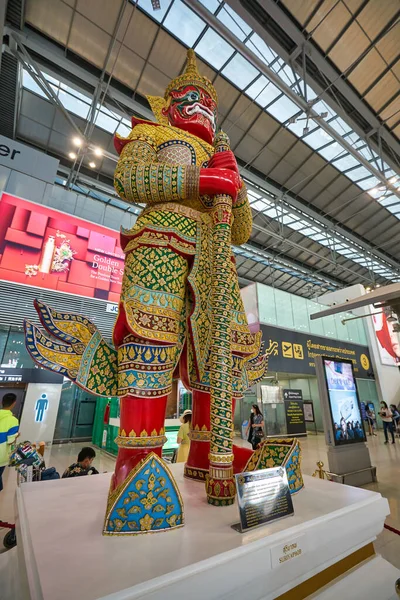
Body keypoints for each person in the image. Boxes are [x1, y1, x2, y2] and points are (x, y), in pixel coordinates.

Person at [0, 393, 19, 492]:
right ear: (14, 403)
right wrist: (17, 436)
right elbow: (10, 441)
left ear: (1, 402)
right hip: (1, 455)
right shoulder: (13, 420)